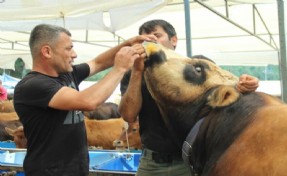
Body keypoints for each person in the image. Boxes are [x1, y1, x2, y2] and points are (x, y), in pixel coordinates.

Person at [118, 19, 259, 176]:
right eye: (144, 38)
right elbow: (128, 115)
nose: (150, 40)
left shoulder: (198, 66)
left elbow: (228, 87)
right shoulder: (132, 75)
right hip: (152, 163)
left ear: (174, 40)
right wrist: (137, 71)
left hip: (193, 162)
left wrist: (246, 84)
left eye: (157, 35)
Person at [13, 24, 155, 176]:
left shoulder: (67, 74)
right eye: (68, 48)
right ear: (47, 51)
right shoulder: (32, 86)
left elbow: (98, 63)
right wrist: (120, 68)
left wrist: (130, 43)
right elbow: (88, 101)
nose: (74, 55)